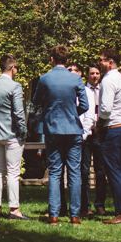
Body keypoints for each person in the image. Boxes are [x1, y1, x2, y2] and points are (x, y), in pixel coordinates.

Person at [34, 45, 89, 225]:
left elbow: (36, 101)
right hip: (73, 129)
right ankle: (75, 215)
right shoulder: (75, 79)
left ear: (52, 59)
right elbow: (85, 105)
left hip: (53, 128)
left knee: (55, 172)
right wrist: (74, 112)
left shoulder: (45, 79)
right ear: (66, 60)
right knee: (74, 172)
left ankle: (54, 215)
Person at [0, 53, 28, 219]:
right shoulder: (15, 87)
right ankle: (14, 209)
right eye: (16, 67)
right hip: (12, 133)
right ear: (12, 67)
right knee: (13, 172)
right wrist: (23, 131)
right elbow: (18, 112)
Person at [97, 49, 121, 224]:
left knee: (114, 171)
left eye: (102, 60)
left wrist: (99, 124)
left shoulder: (108, 80)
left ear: (110, 62)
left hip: (113, 128)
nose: (100, 63)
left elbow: (105, 109)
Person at [80, 63, 109, 216]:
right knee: (84, 171)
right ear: (87, 75)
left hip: (101, 133)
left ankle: (100, 204)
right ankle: (85, 206)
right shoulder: (82, 91)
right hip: (86, 133)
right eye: (92, 73)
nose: (95, 76)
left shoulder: (104, 89)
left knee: (100, 171)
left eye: (97, 73)